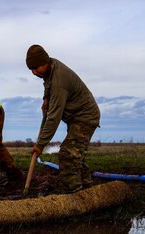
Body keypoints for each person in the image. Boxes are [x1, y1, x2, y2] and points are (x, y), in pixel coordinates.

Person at [25, 45, 100, 193]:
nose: (34, 72)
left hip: (85, 117)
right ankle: (87, 189)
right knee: (76, 155)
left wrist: (40, 145)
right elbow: (47, 84)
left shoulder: (60, 80)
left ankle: (74, 195)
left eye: (36, 68)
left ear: (45, 62)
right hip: (75, 117)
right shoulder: (50, 68)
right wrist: (46, 98)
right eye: (31, 69)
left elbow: (53, 118)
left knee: (68, 155)